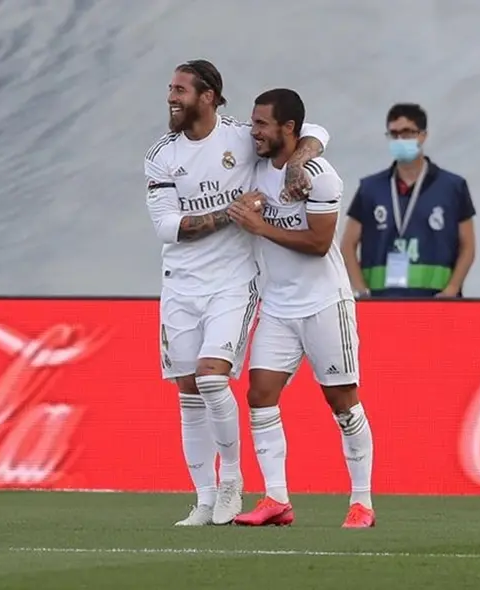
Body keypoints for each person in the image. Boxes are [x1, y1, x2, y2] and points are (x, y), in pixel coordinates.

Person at [144, 60, 330, 526]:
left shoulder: (239, 139)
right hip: (180, 286)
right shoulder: (161, 155)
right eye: (170, 88)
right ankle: (204, 500)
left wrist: (300, 164)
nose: (172, 97)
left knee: (211, 378)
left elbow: (316, 131)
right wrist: (231, 213)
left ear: (208, 96)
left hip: (232, 283)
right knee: (188, 393)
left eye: (181, 90)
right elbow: (168, 226)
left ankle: (231, 480)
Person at [226, 88, 375, 529]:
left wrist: (260, 225)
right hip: (277, 307)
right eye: (253, 123)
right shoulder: (259, 163)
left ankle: (362, 502)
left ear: (288, 129)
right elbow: (316, 131)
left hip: (325, 303)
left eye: (262, 124)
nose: (254, 132)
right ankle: (276, 499)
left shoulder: (319, 175)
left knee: (342, 402)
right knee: (260, 395)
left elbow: (318, 243)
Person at [340, 103, 477, 298]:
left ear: (422, 135)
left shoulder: (453, 187)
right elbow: (347, 245)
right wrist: (361, 290)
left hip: (436, 302)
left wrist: (452, 289)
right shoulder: (370, 188)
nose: (399, 139)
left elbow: (468, 246)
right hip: (381, 302)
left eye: (407, 133)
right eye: (393, 134)